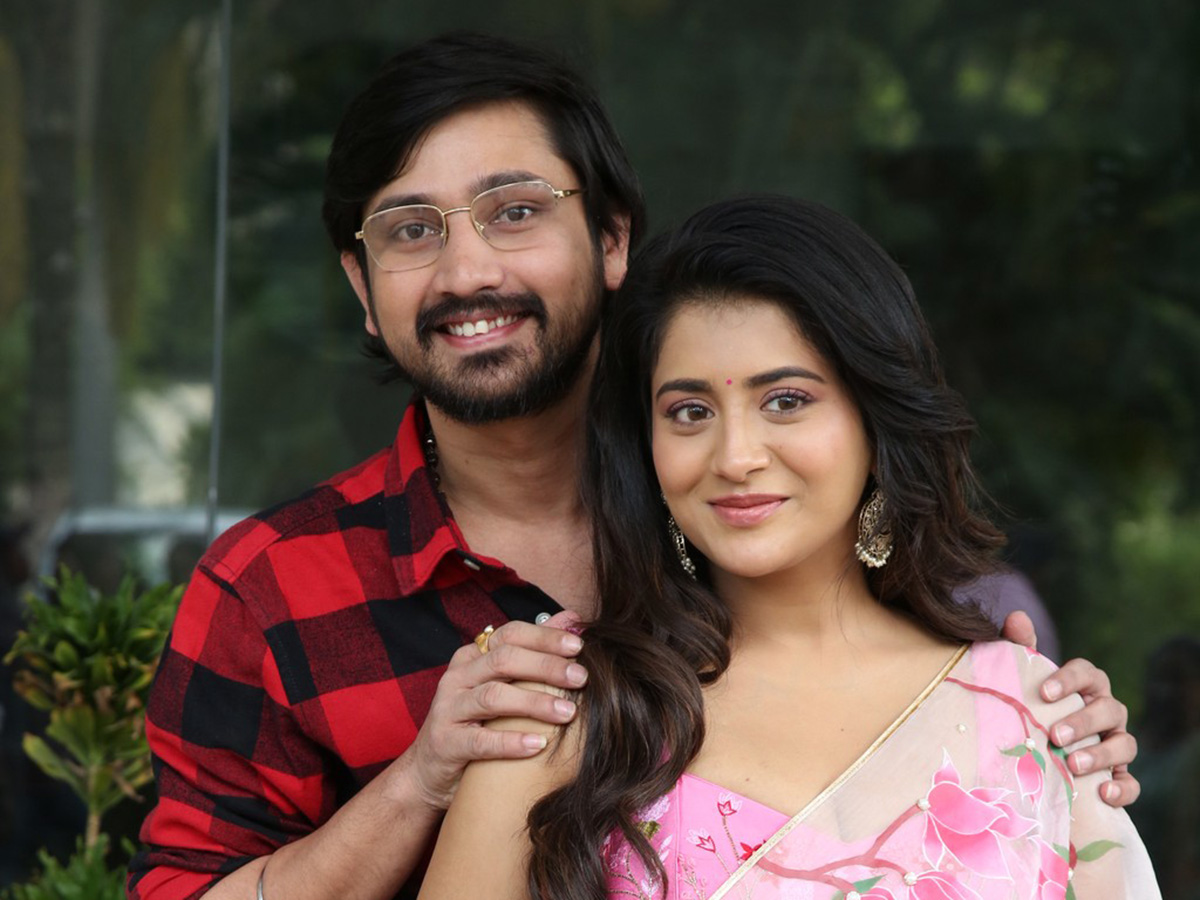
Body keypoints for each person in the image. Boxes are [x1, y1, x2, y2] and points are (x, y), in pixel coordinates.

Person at [129, 34, 1140, 900]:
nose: (468, 270)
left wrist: (1024, 718)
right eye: (410, 231)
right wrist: (419, 781)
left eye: (514, 211)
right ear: (360, 284)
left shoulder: (776, 534)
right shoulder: (273, 590)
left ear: (612, 238)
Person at [415, 196, 1160, 900]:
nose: (735, 455)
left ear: (876, 420)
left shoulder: (1028, 712)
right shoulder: (563, 708)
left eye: (786, 401)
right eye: (690, 411)